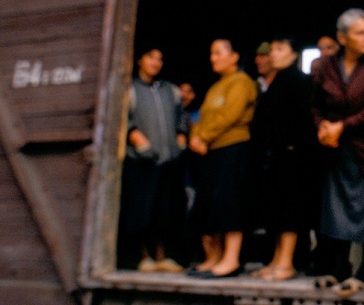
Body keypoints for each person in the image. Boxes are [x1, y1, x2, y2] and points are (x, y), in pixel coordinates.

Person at [311, 8, 364, 296]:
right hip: (335, 151)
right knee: (335, 212)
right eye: (360, 32)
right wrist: (323, 128)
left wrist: (341, 126)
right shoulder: (324, 66)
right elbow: (316, 105)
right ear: (342, 37)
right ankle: (338, 268)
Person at [188, 38, 257, 278]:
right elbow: (202, 118)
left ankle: (231, 260)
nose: (213, 58)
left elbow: (230, 115)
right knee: (212, 204)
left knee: (231, 204)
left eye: (218, 53)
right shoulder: (217, 85)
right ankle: (213, 258)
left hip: (233, 149)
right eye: (211, 53)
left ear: (234, 56)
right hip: (212, 152)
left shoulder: (242, 82)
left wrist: (203, 137)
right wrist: (195, 137)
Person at [250, 37, 317, 281]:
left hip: (293, 157)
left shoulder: (299, 81)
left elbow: (304, 122)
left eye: (280, 49)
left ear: (293, 55)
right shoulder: (276, 82)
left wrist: (292, 148)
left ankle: (287, 263)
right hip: (276, 157)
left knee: (290, 211)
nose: (273, 54)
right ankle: (277, 260)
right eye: (272, 49)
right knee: (276, 211)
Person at [118, 46, 188, 273]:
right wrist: (136, 138)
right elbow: (121, 119)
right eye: (151, 57)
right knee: (140, 211)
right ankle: (143, 257)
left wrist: (180, 138)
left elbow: (182, 118)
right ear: (140, 59)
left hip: (168, 162)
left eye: (160, 59)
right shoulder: (130, 89)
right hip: (141, 161)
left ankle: (162, 256)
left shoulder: (171, 90)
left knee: (165, 212)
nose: (156, 63)